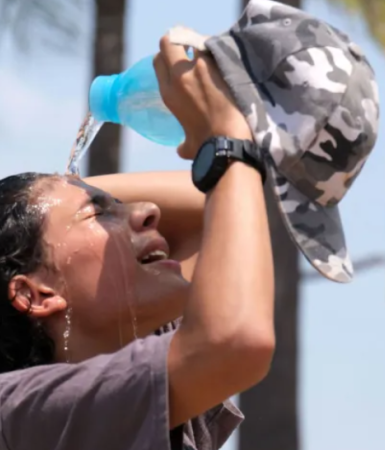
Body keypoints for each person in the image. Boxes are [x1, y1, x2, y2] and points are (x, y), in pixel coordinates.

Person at [0, 36, 275, 450]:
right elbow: (235, 340)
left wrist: (70, 189)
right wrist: (227, 141)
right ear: (35, 293)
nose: (148, 209)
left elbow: (216, 206)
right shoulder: (19, 413)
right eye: (99, 214)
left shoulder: (145, 369)